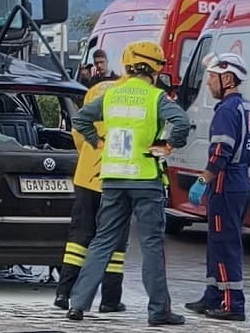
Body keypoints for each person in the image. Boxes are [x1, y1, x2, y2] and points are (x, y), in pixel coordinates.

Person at [65, 41, 190, 325]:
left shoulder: (111, 95)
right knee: (151, 246)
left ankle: (78, 304)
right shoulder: (156, 98)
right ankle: (159, 311)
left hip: (112, 179)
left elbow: (81, 119)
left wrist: (97, 141)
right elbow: (181, 123)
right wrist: (168, 145)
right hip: (145, 180)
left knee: (102, 241)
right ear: (155, 69)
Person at [185, 52, 250, 322]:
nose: (208, 84)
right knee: (217, 241)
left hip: (226, 182)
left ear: (227, 78)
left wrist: (202, 180)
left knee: (225, 244)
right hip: (238, 179)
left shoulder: (227, 110)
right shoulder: (246, 109)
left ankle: (232, 304)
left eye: (211, 78)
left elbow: (220, 153)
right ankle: (213, 295)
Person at [53, 74, 129, 312]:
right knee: (115, 239)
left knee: (79, 237)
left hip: (87, 173)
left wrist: (88, 152)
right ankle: (110, 299)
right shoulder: (134, 95)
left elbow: (78, 130)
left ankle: (63, 293)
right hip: (116, 175)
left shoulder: (95, 90)